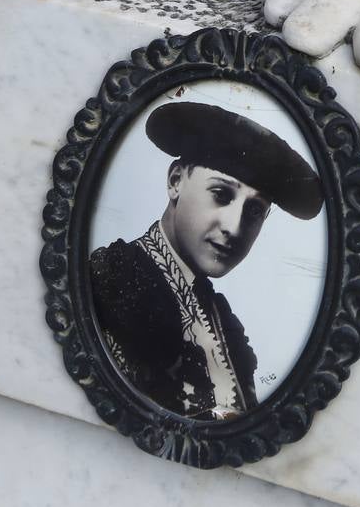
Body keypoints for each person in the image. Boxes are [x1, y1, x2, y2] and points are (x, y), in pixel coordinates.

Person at [89, 101, 323, 420]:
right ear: (175, 182)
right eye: (221, 195)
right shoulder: (112, 281)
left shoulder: (224, 323)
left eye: (254, 211)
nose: (234, 227)